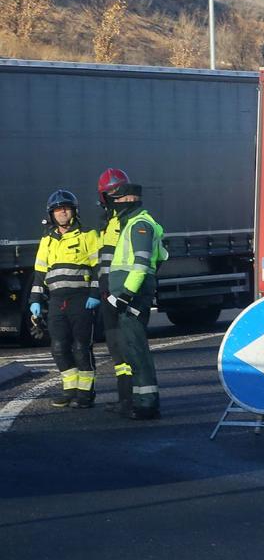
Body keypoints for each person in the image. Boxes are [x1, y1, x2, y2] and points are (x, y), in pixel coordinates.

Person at [103, 173, 169, 420]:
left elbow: (141, 264)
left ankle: (147, 404)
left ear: (130, 199)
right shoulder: (137, 223)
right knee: (133, 348)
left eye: (118, 199)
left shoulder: (139, 225)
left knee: (136, 348)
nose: (115, 204)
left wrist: (127, 294)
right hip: (134, 295)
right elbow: (162, 257)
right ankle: (144, 400)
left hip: (131, 297)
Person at [29, 190, 102, 408]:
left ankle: (85, 393)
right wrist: (35, 300)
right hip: (56, 301)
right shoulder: (47, 240)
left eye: (66, 209)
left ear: (74, 212)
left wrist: (95, 294)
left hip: (81, 299)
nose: (62, 213)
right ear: (51, 214)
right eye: (58, 210)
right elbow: (40, 273)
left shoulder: (88, 235)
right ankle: (69, 389)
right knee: (59, 347)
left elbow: (99, 268)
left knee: (81, 347)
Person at [96, 168, 134, 416]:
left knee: (129, 348)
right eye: (111, 194)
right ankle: (125, 399)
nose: (115, 199)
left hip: (122, 293)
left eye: (119, 194)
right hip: (107, 294)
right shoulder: (108, 222)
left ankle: (135, 399)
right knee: (116, 349)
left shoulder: (131, 221)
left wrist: (127, 291)